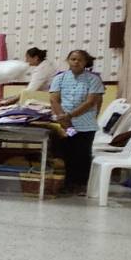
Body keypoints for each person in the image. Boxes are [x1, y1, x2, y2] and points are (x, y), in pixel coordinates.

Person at [49, 50, 105, 195]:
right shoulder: (60, 78)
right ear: (68, 60)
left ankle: (81, 185)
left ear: (86, 62)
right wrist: (63, 118)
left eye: (80, 60)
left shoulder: (94, 79)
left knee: (82, 154)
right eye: (73, 59)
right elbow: (54, 99)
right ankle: (67, 184)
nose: (76, 62)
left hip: (85, 125)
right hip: (65, 125)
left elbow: (91, 102)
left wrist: (70, 115)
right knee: (67, 153)